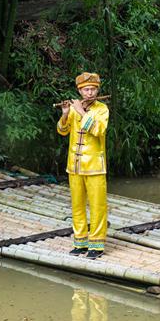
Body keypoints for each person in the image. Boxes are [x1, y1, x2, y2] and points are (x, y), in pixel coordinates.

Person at [57, 72, 109, 259]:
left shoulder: (102, 109)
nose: (90, 92)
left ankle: (97, 245)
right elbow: (63, 131)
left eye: (93, 89)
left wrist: (80, 111)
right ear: (80, 90)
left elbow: (98, 130)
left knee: (97, 206)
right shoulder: (73, 108)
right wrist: (65, 114)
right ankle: (80, 242)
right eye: (86, 89)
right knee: (77, 205)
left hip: (95, 165)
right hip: (75, 165)